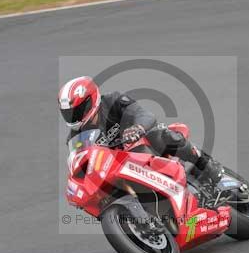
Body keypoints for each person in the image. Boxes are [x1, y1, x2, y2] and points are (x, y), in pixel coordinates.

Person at [58, 76, 222, 184]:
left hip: (141, 147)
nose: (74, 116)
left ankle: (204, 162)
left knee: (159, 134)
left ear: (91, 99)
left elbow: (143, 114)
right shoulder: (75, 138)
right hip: (118, 169)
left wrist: (138, 128)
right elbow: (82, 167)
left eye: (77, 110)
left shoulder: (113, 101)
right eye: (68, 113)